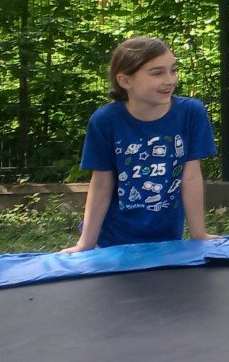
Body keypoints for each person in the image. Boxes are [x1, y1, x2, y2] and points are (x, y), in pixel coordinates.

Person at [68, 37, 214, 251]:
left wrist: (198, 234)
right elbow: (101, 184)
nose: (170, 80)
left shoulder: (191, 113)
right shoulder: (105, 121)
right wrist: (85, 244)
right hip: (112, 243)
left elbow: (190, 177)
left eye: (173, 70)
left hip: (167, 240)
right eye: (157, 73)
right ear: (125, 81)